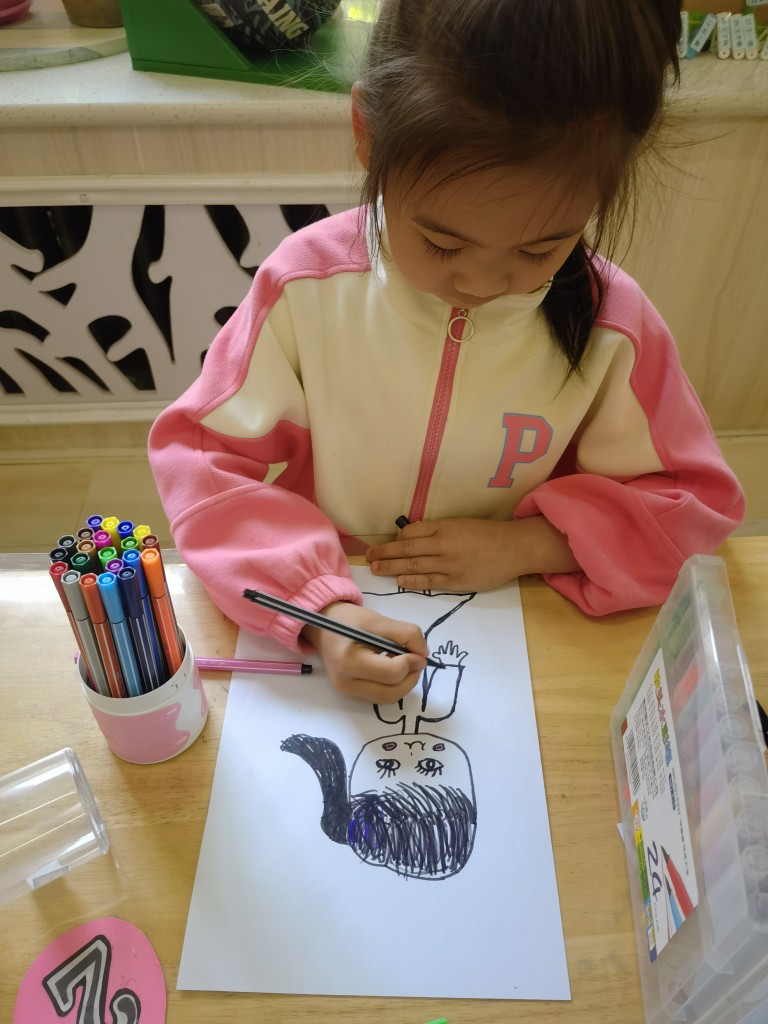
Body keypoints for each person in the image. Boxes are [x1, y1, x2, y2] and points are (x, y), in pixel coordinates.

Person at [148, 0, 744, 704]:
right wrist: (321, 610)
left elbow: (694, 507)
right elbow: (203, 463)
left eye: (539, 249)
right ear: (367, 134)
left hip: (527, 624)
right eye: (441, 243)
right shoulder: (305, 288)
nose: (482, 285)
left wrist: (534, 545)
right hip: (340, 596)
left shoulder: (615, 326)